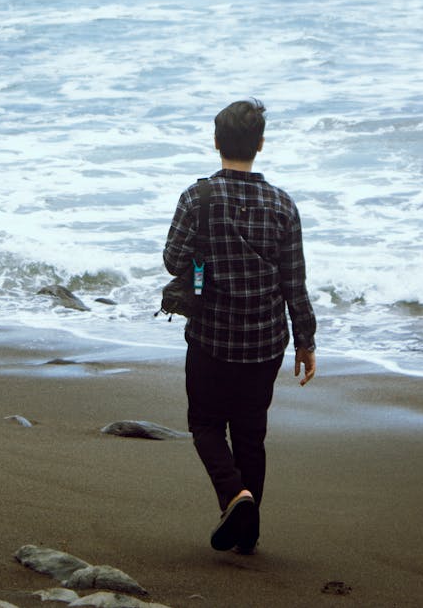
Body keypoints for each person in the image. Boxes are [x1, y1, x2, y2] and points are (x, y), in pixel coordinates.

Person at [163, 98, 316, 554]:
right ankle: (247, 534)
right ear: (260, 145)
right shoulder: (282, 204)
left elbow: (173, 260)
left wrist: (203, 253)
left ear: (216, 142)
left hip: (211, 335)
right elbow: (295, 280)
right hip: (265, 342)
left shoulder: (198, 197)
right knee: (251, 433)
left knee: (206, 424)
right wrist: (305, 342)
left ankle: (235, 497)